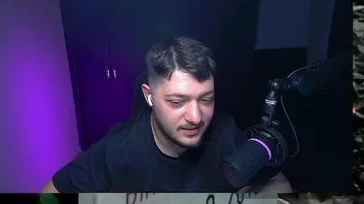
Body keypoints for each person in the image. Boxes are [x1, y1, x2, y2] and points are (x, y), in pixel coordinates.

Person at [41, 37, 292, 194]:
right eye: (177, 102)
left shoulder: (225, 130)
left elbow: (277, 183)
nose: (196, 117)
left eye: (206, 99)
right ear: (149, 96)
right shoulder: (118, 147)